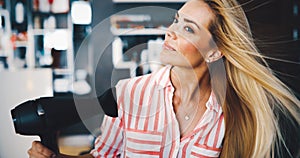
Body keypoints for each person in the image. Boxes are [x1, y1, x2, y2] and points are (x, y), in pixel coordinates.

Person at [28, 0, 300, 157]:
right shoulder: (128, 94)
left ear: (215, 52)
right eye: (176, 20)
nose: (171, 31)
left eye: (188, 29)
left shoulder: (232, 115)